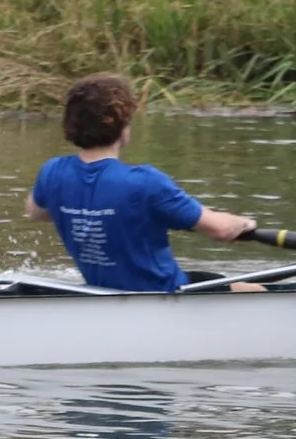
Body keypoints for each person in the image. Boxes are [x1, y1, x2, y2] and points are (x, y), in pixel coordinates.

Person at [24, 73, 262, 291]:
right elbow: (221, 229)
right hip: (163, 294)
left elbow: (35, 213)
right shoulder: (145, 183)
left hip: (101, 291)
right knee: (254, 291)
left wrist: (85, 210)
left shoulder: (53, 172)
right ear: (120, 124)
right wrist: (242, 223)